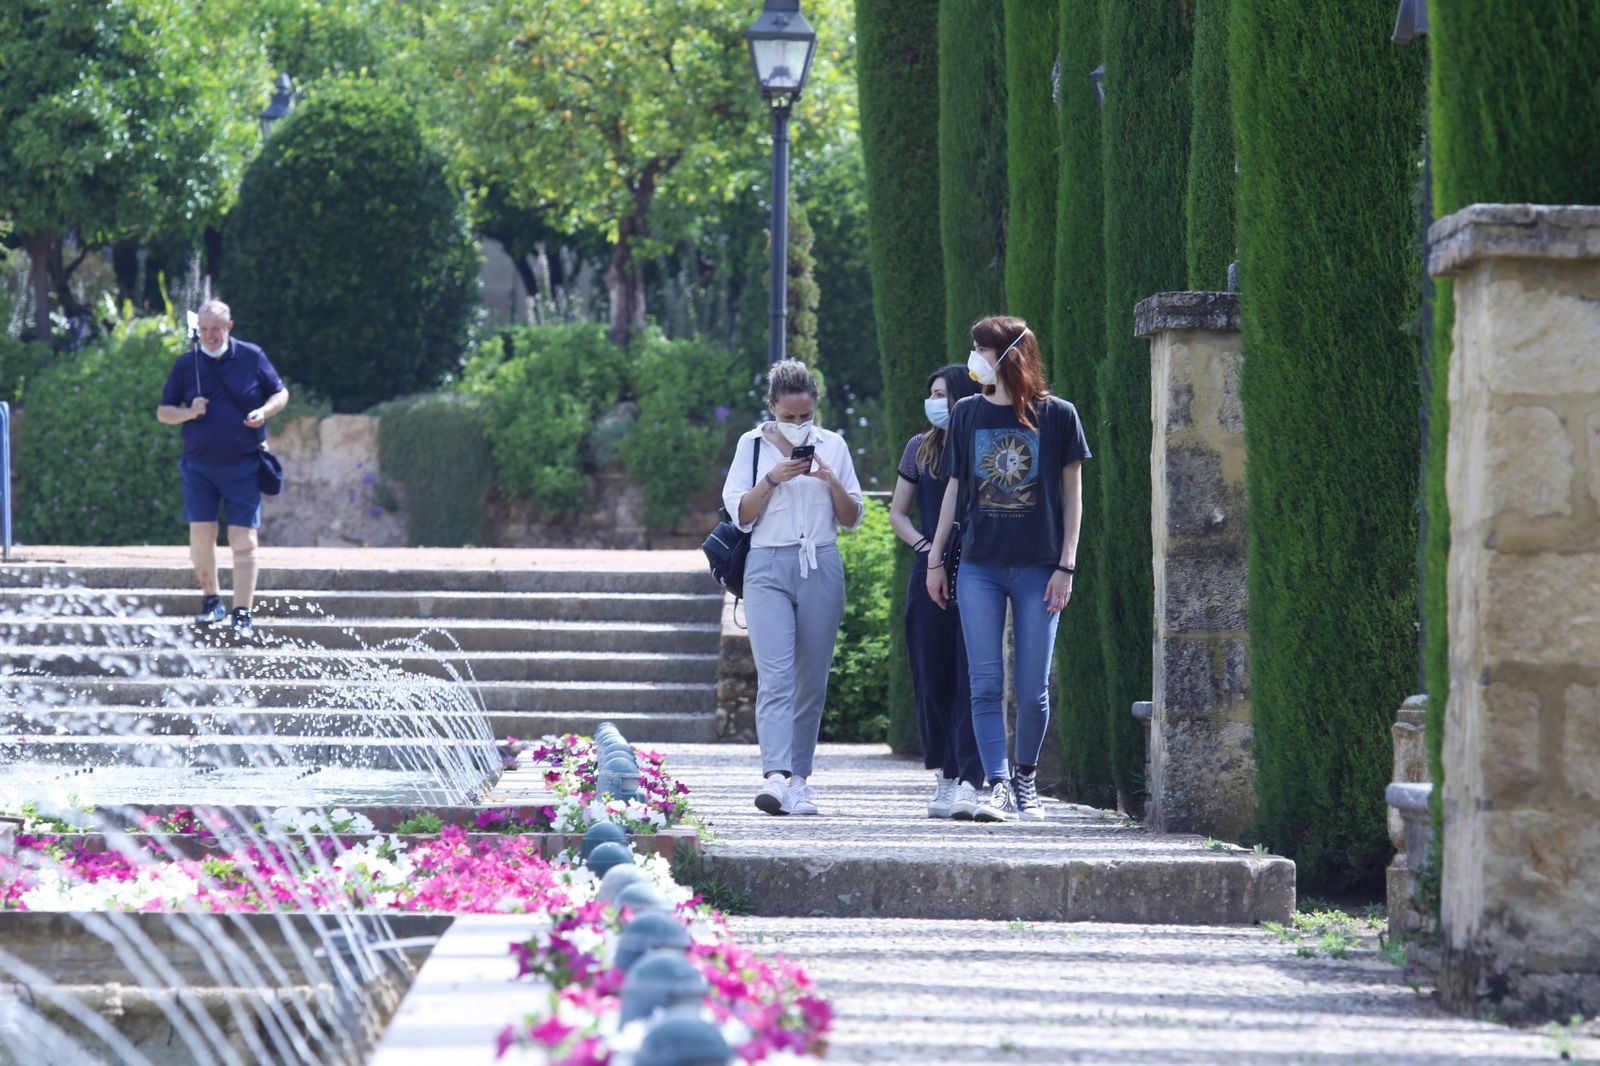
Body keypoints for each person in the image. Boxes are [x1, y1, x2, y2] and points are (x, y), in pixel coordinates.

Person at [926, 315, 1090, 823]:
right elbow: (954, 489)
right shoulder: (969, 414)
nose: (973, 358)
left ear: (1009, 354)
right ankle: (996, 784)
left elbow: (1072, 496)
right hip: (979, 566)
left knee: (1033, 686)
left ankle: (1026, 779)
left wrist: (1067, 565)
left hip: (1041, 567)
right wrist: (935, 558)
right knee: (984, 682)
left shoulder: (1058, 416)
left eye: (980, 349)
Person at [720, 360, 864, 817]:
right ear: (772, 408)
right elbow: (739, 512)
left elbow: (851, 516)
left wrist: (830, 478)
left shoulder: (833, 445)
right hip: (767, 564)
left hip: (820, 561)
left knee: (811, 679)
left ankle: (801, 779)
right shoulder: (752, 445)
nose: (799, 425)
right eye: (789, 417)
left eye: (806, 417)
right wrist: (772, 479)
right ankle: (776, 777)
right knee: (776, 676)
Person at [156, 299, 289, 639]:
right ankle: (211, 599)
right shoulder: (187, 364)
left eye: (216, 329)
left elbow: (281, 393)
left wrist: (264, 411)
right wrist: (189, 412)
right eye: (203, 329)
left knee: (242, 537)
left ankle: (242, 613)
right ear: (197, 328)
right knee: (201, 535)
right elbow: (163, 412)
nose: (209, 335)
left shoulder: (251, 356)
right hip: (199, 465)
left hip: (244, 462)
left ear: (229, 327)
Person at [890, 364, 983, 819]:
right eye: (931, 393)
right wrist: (928, 549)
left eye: (943, 394)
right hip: (928, 568)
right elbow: (898, 514)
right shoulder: (919, 448)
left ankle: (967, 774)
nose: (935, 401)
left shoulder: (980, 444)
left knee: (972, 674)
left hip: (976, 566)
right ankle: (945, 770)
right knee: (932, 672)